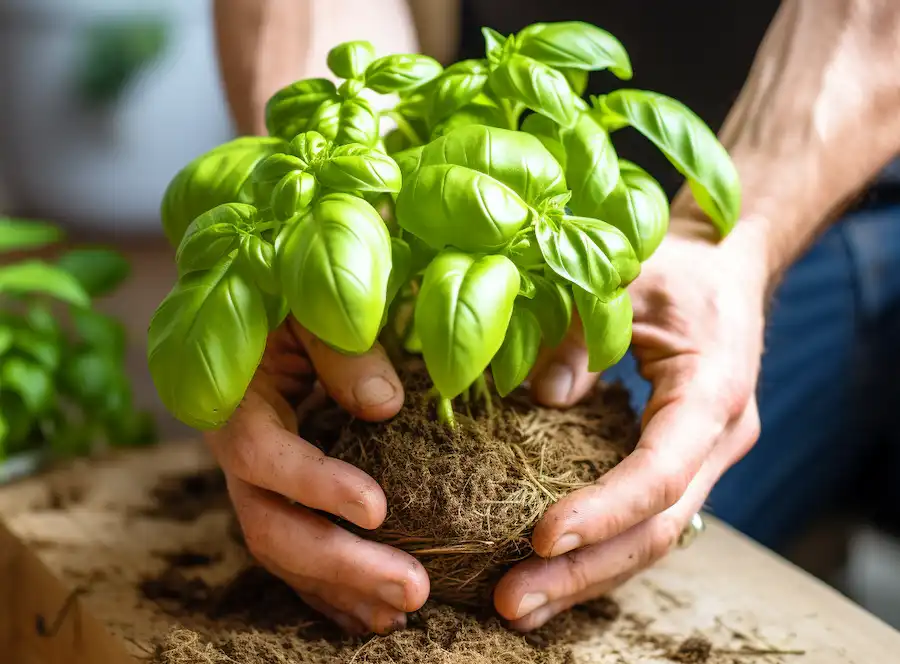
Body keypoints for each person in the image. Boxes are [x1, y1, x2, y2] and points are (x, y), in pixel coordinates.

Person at [207, 0, 900, 636]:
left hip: (818, 190)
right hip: (562, 250)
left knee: (662, 502)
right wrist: (325, 226)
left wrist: (736, 236)